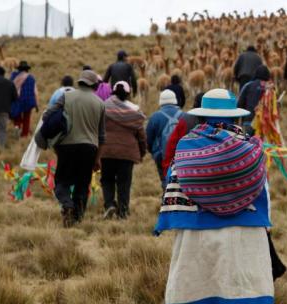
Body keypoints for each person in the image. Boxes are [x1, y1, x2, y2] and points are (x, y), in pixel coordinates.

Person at [154, 88, 274, 304]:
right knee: (234, 303)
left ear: (201, 116)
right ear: (236, 117)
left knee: (198, 303)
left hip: (195, 232)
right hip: (242, 232)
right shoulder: (250, 148)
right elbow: (263, 191)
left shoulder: (186, 148)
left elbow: (173, 184)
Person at [44, 70, 106, 227]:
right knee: (82, 184)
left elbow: (48, 115)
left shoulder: (67, 96)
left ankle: (67, 204)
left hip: (67, 147)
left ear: (80, 82)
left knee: (61, 182)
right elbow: (102, 136)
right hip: (89, 149)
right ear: (95, 85)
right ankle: (77, 221)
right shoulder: (100, 103)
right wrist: (98, 158)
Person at [99, 81, 146, 219]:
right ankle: (123, 212)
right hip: (127, 153)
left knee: (107, 179)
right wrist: (142, 152)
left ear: (113, 91)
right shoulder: (134, 111)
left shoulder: (104, 107)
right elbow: (141, 135)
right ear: (127, 94)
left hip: (106, 151)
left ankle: (109, 205)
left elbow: (97, 129)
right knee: (124, 182)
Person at [147, 89, 183, 185]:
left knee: (165, 181)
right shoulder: (184, 115)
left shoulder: (155, 117)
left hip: (161, 155)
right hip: (181, 155)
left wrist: (154, 152)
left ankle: (166, 196)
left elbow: (149, 139)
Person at [237, 65, 272, 132]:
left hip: (249, 121)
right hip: (265, 124)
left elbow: (239, 104)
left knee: (249, 142)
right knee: (262, 142)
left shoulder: (248, 85)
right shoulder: (270, 88)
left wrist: (238, 122)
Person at [10, 61, 39, 138]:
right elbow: (35, 92)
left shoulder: (13, 76)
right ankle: (24, 134)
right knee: (27, 118)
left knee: (17, 115)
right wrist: (36, 104)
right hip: (29, 101)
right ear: (27, 69)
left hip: (18, 100)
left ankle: (17, 126)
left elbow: (10, 87)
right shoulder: (31, 78)